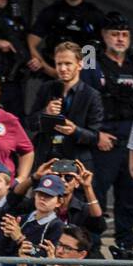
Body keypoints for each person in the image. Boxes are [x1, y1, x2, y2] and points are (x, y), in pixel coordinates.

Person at [84, 13, 133, 257]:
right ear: (104, 36)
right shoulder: (93, 64)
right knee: (96, 194)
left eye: (124, 35)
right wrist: (97, 135)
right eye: (115, 34)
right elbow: (85, 103)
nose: (120, 39)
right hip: (105, 139)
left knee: (129, 199)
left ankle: (125, 247)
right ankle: (93, 245)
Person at [30, 41, 103, 170]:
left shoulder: (91, 95)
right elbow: (29, 123)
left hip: (76, 162)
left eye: (68, 64)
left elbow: (95, 137)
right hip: (46, 160)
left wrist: (75, 130)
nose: (63, 69)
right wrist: (45, 112)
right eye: (59, 64)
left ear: (80, 65)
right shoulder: (46, 88)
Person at [27, 0, 108, 71]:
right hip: (55, 70)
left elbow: (108, 45)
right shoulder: (52, 11)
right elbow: (31, 42)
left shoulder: (94, 14)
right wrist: (49, 70)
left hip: (85, 73)